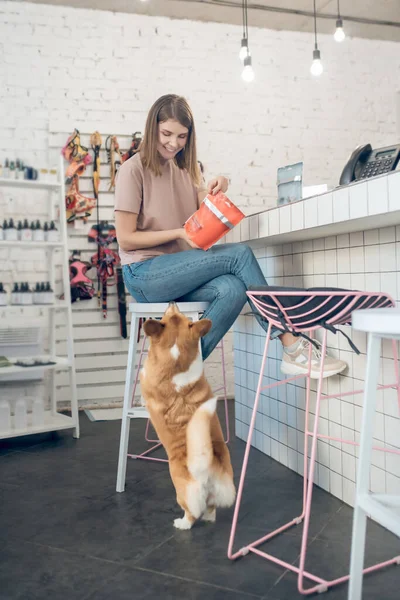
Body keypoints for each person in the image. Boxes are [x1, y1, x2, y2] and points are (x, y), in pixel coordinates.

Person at [114, 94, 346, 378]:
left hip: (177, 273)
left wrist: (222, 183)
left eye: (181, 136)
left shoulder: (185, 169)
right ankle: (291, 344)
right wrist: (177, 233)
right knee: (240, 255)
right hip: (144, 274)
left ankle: (181, 370)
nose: (173, 143)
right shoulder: (132, 170)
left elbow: (205, 204)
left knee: (233, 288)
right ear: (153, 129)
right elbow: (126, 239)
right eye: (166, 134)